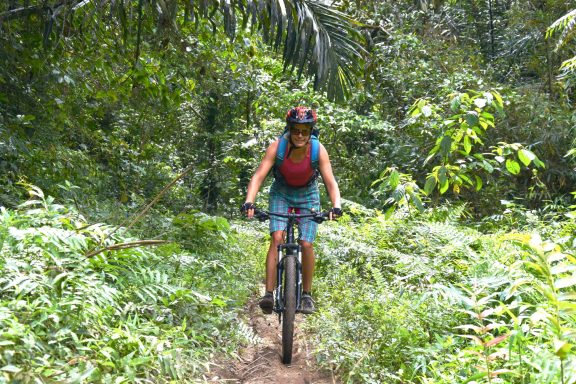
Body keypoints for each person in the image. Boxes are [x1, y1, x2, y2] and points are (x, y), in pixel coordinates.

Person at [241, 106, 342, 315]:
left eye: (305, 131)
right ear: (289, 129)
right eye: (296, 130)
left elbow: (330, 181)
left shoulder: (317, 149)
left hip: (308, 193)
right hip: (281, 192)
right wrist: (249, 201)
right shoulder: (277, 147)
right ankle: (268, 294)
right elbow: (258, 175)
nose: (300, 135)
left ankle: (306, 295)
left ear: (311, 131)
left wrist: (336, 206)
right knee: (277, 237)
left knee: (306, 243)